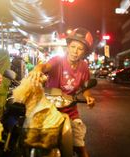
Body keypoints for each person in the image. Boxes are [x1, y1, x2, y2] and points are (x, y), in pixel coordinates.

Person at [28, 27, 95, 157]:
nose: (75, 52)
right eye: (73, 46)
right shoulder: (58, 60)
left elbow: (86, 88)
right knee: (35, 141)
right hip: (49, 108)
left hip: (70, 111)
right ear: (68, 46)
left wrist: (89, 97)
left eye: (80, 48)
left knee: (80, 147)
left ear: (84, 52)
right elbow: (44, 66)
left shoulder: (84, 67)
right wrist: (37, 69)